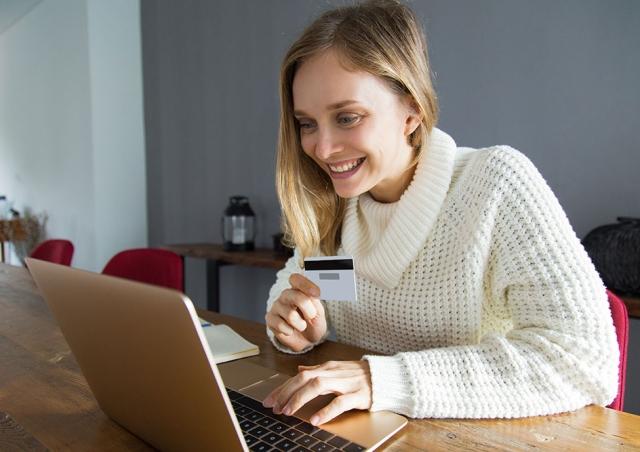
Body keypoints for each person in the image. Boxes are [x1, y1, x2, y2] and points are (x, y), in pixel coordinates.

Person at [263, 0, 618, 426]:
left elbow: (583, 359)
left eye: (347, 117)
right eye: (307, 124)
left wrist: (383, 381)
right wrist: (299, 329)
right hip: (363, 431)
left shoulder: (494, 184)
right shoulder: (335, 200)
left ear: (411, 110)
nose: (321, 148)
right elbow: (292, 292)